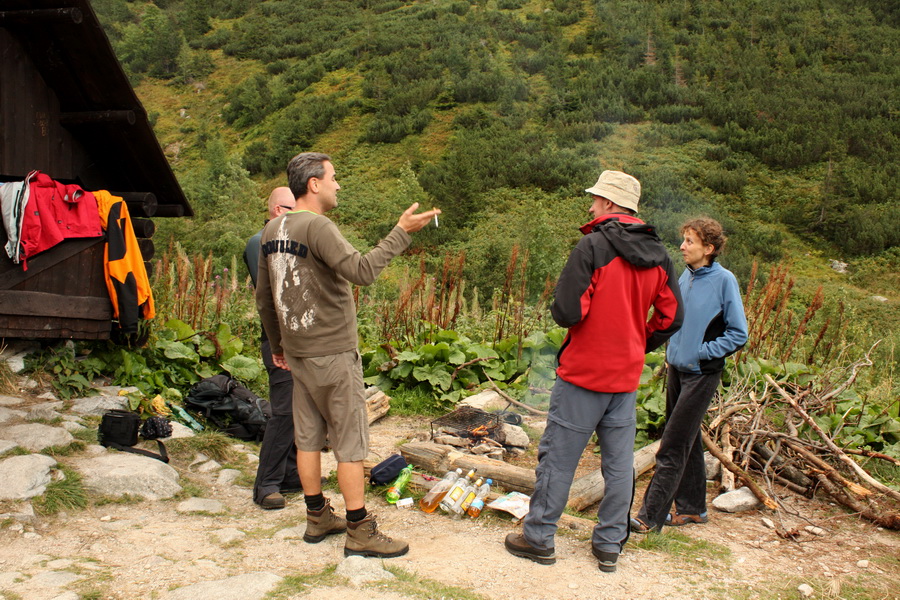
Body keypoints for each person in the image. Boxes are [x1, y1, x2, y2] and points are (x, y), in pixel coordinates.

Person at [255, 152, 440, 558]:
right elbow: (362, 271)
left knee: (307, 439)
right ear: (315, 184)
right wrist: (401, 232)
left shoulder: (272, 229)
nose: (338, 185)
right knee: (350, 443)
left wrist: (279, 347)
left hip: (299, 352)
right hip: (333, 351)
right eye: (334, 177)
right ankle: (359, 529)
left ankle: (317, 516)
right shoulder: (318, 226)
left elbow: (265, 298)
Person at [504, 170, 683, 573]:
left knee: (558, 459)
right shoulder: (660, 255)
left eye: (595, 199)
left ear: (609, 204)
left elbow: (568, 311)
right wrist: (640, 342)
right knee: (619, 466)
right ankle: (608, 545)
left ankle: (538, 538)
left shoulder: (593, 245)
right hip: (625, 378)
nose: (590, 205)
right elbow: (672, 317)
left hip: (583, 373)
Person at [631, 218, 747, 533]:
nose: (682, 246)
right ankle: (693, 509)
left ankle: (649, 516)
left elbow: (738, 334)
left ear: (708, 248)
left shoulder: (724, 280)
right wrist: (673, 353)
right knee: (688, 437)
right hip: (677, 371)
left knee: (672, 444)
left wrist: (700, 352)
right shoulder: (685, 276)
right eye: (683, 240)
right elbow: (675, 318)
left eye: (690, 241)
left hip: (702, 373)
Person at [244, 187, 303, 509]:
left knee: (299, 410)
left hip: (300, 340)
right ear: (279, 211)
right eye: (295, 211)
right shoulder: (259, 242)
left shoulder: (289, 243)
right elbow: (273, 298)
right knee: (283, 412)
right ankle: (265, 485)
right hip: (279, 341)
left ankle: (291, 475)